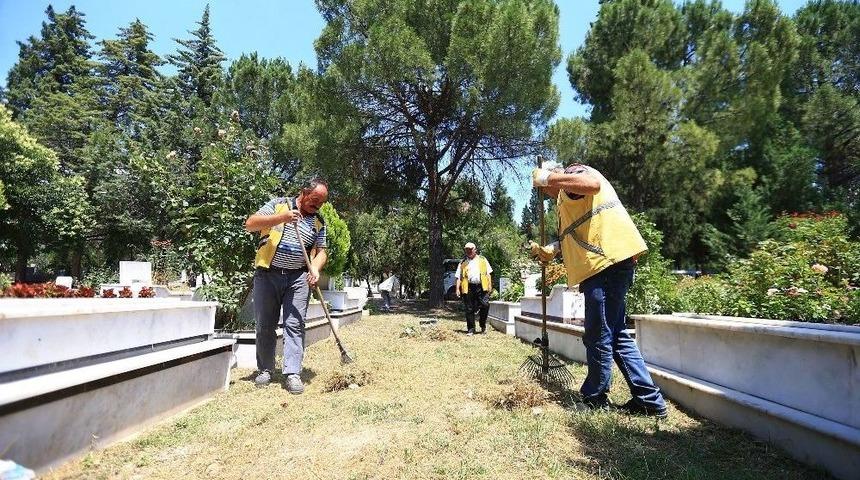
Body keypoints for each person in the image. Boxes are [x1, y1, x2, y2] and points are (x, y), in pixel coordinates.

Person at [529, 163, 668, 417]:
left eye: (544, 188)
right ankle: (648, 401)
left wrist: (548, 176)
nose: (546, 193)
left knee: (599, 335)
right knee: (616, 335)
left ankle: (594, 397)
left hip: (604, 265)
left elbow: (592, 185)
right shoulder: (566, 197)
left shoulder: (574, 174)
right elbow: (574, 234)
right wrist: (551, 251)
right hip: (610, 264)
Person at [244, 178, 329, 394]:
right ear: (304, 192)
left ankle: (292, 373)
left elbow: (322, 251)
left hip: (297, 279)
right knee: (265, 324)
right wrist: (282, 218)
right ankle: (265, 370)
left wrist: (316, 268)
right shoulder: (278, 205)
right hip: (267, 275)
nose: (317, 205)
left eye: (322, 202)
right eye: (315, 199)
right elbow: (250, 224)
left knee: (295, 324)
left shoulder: (318, 221)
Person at [454, 242, 493, 336]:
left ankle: (482, 324)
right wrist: (457, 289)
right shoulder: (462, 262)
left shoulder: (483, 260)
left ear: (475, 250)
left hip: (482, 286)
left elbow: (488, 273)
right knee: (469, 309)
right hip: (468, 287)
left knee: (485, 305)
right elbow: (458, 277)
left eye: (471, 249)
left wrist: (490, 286)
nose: (469, 251)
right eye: (467, 249)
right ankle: (471, 329)